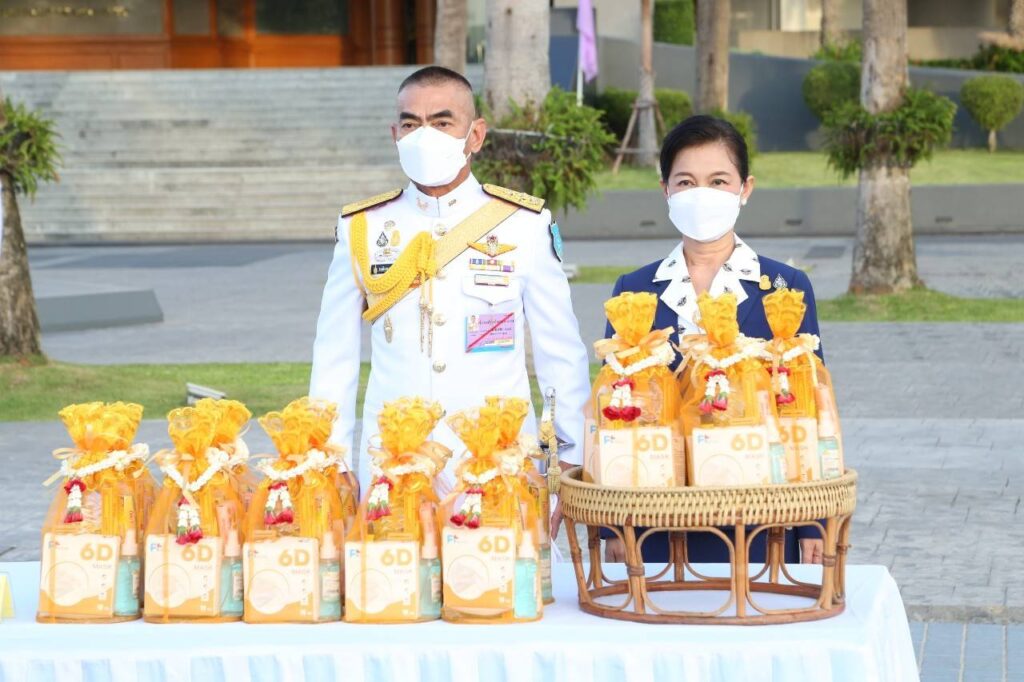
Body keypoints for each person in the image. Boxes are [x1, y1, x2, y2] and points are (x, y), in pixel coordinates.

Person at [309, 65, 590, 496]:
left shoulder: (523, 224)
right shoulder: (362, 227)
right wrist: (333, 460)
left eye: (442, 123)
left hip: (498, 461)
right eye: (411, 124)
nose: (424, 136)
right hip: (393, 464)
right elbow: (334, 354)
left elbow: (561, 353)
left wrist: (569, 456)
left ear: (475, 135)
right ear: (395, 135)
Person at [601, 115, 825, 565]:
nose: (701, 194)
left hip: (761, 518)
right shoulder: (635, 292)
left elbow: (808, 407)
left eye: (718, 181)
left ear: (745, 188)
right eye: (686, 182)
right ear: (665, 190)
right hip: (655, 519)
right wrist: (614, 524)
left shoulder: (784, 287)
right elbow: (614, 414)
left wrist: (811, 521)